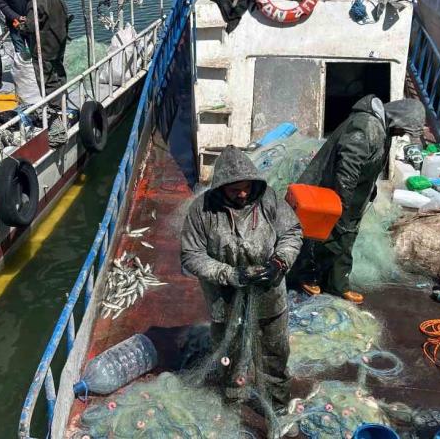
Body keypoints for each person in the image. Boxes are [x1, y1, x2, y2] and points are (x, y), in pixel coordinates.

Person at [181, 145, 303, 410]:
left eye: (247, 187)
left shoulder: (269, 199)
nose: (243, 194)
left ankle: (276, 402)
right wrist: (230, 274)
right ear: (221, 187)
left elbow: (292, 233)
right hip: (224, 299)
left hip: (269, 295)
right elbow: (191, 255)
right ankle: (233, 397)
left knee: (274, 352)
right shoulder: (201, 210)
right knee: (230, 350)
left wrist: (279, 263)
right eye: (235, 189)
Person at [290, 95, 426, 303]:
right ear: (397, 119)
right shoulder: (366, 126)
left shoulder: (383, 129)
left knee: (346, 237)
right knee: (322, 235)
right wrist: (342, 202)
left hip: (354, 196)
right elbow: (348, 166)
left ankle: (338, 284)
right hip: (332, 191)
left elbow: (371, 162)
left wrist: (369, 190)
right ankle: (308, 276)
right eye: (403, 129)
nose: (401, 134)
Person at [21, 0, 69, 108]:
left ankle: (57, 108)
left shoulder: (36, 2)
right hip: (59, 45)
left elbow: (30, 27)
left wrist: (21, 26)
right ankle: (64, 98)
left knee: (47, 80)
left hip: (44, 48)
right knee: (60, 73)